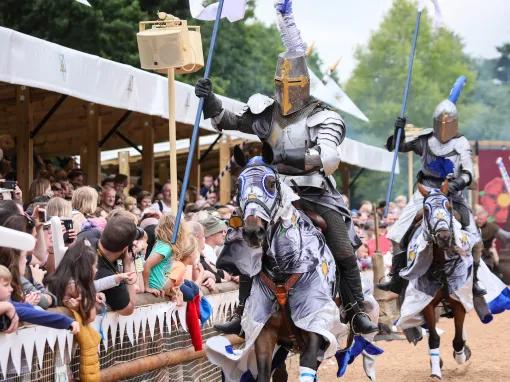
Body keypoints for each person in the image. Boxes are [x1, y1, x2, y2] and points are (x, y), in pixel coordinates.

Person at [194, 2, 376, 334]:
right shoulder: (269, 114)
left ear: (304, 84)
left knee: (341, 245)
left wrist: (293, 160)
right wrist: (210, 100)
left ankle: (354, 307)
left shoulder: (323, 116)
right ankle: (244, 310)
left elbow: (330, 158)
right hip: (275, 193)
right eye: (280, 83)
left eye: (291, 84)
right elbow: (229, 119)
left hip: (314, 192)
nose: (285, 89)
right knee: (245, 237)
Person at [380, 76, 486, 296]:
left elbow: (468, 173)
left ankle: (474, 280)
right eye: (441, 123)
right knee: (397, 231)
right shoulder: (425, 138)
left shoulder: (461, 143)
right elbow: (395, 147)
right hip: (425, 193)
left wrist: (457, 183)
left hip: (451, 194)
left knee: (474, 236)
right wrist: (396, 132)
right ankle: (396, 277)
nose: (445, 128)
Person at [0, 265, 79, 333]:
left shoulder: (10, 305)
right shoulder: (9, 309)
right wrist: (67, 321)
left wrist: (27, 305)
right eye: (6, 285)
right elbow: (36, 315)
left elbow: (24, 308)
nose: (11, 289)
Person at [94, 215, 139, 315]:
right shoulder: (110, 278)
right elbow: (129, 309)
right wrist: (127, 265)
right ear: (125, 248)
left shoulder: (87, 235)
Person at [47, 239, 100, 324]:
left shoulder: (58, 279)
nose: (96, 270)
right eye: (94, 266)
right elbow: (91, 317)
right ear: (86, 268)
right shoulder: (74, 286)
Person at [142, 214, 185, 296]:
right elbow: (147, 265)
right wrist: (147, 287)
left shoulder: (167, 246)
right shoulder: (165, 247)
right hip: (153, 286)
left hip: (158, 288)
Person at [475, 204, 510, 274]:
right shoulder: (472, 226)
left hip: (486, 258)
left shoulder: (492, 228)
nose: (479, 221)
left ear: (486, 218)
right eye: (478, 219)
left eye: (481, 219)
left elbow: (506, 236)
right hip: (473, 257)